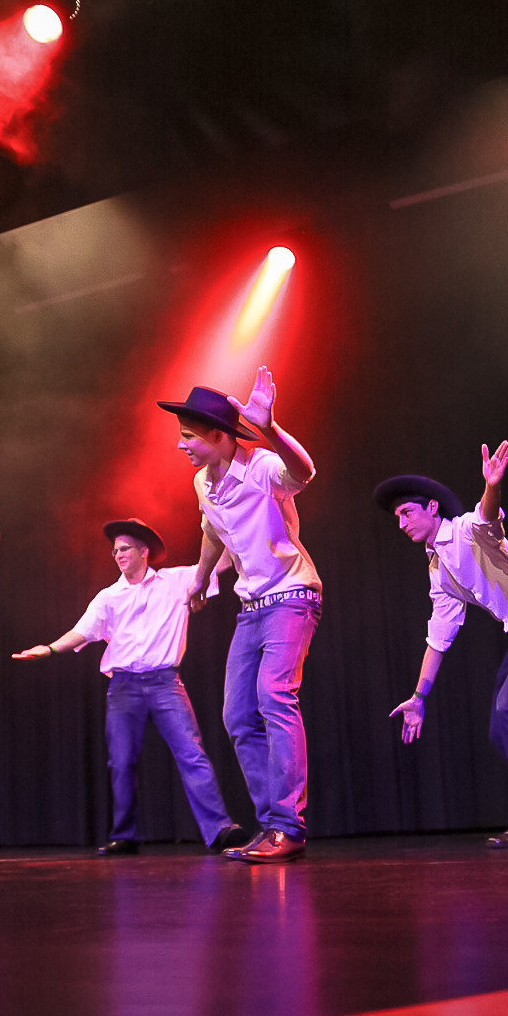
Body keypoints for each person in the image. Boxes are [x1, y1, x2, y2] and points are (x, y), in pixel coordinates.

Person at [376, 440, 508, 847]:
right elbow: (440, 635)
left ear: (432, 507)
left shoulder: (467, 530)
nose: (401, 523)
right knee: (502, 731)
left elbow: (488, 517)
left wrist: (492, 486)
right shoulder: (438, 570)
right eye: (397, 517)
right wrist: (419, 697)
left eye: (407, 512)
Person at [158, 367, 321, 864]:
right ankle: (271, 823)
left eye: (189, 436)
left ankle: (289, 827)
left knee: (275, 696)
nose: (181, 445)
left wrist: (269, 427)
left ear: (218, 436)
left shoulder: (263, 466)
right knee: (237, 716)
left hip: (291, 595)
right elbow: (212, 531)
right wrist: (201, 577)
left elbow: (304, 473)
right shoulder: (201, 482)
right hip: (251, 608)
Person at [13, 518, 246, 857]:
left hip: (165, 682)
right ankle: (125, 836)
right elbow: (82, 632)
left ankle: (220, 829)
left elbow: (220, 561)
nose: (118, 555)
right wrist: (49, 649)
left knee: (192, 754)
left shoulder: (176, 581)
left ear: (143, 551)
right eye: (115, 551)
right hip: (124, 686)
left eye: (124, 549)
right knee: (121, 762)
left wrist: (227, 521)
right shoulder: (109, 597)